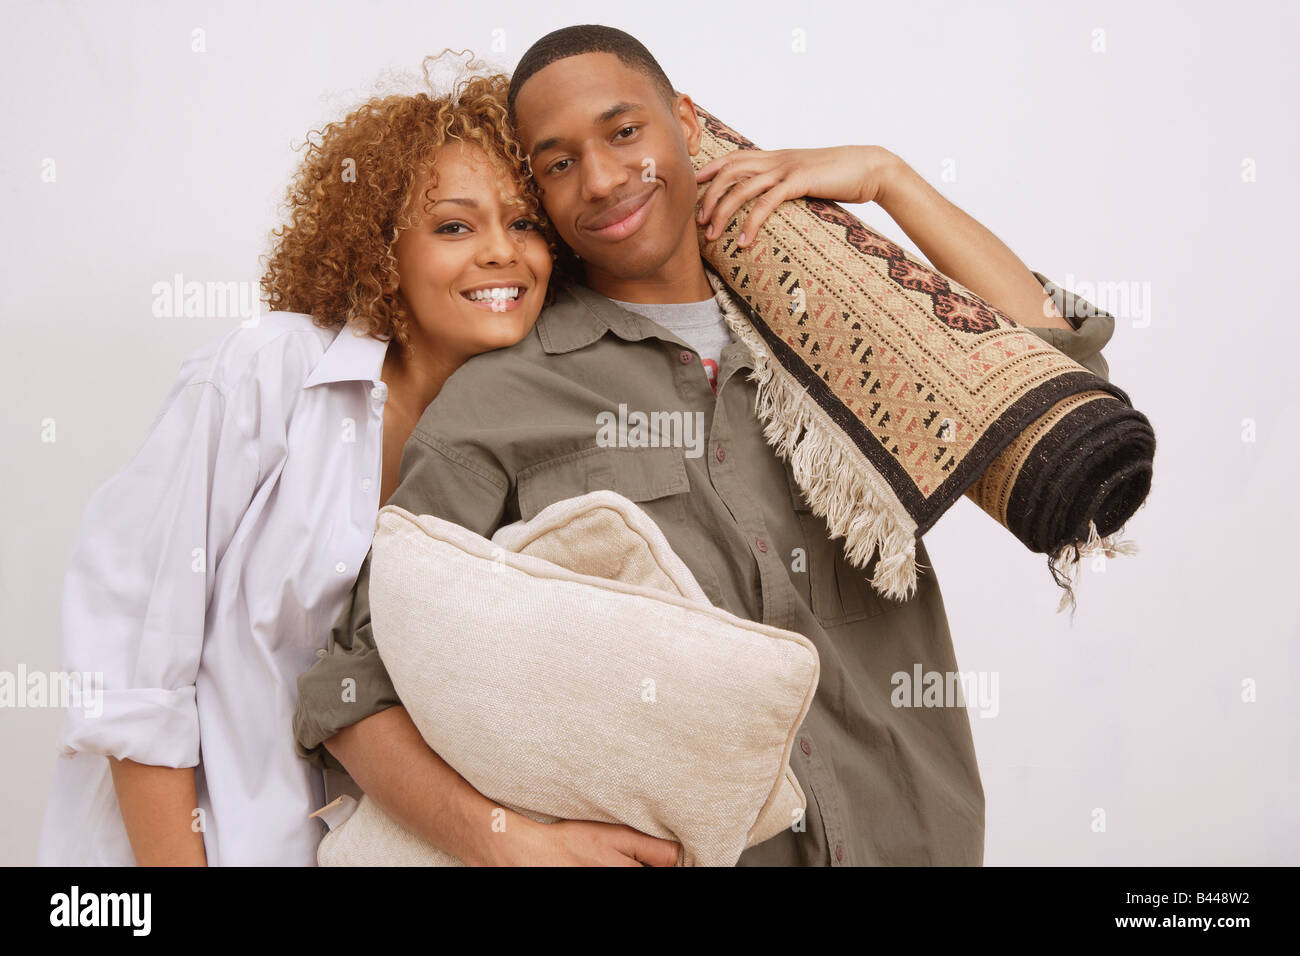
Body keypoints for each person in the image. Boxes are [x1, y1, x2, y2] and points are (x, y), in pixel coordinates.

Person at [292, 25, 1119, 866]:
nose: (605, 179)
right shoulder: (502, 399)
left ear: (685, 126)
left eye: (623, 132)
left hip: (916, 842)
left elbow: (1054, 376)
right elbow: (352, 687)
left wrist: (886, 177)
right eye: (559, 163)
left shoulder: (840, 336)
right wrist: (508, 845)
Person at [37, 61, 558, 866]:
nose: (502, 253)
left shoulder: (530, 443)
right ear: (383, 248)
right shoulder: (264, 375)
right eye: (454, 226)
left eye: (526, 224)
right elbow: (136, 673)